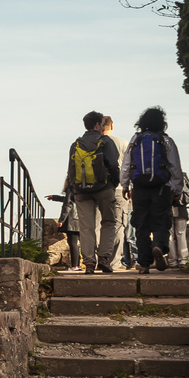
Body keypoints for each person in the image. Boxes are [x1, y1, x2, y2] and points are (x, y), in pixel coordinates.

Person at [120, 106, 184, 273]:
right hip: (162, 187)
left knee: (141, 224)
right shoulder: (166, 140)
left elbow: (126, 164)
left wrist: (125, 185)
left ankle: (144, 263)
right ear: (162, 123)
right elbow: (175, 166)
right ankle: (158, 246)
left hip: (139, 187)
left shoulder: (136, 139)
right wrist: (177, 189)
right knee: (161, 221)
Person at [64, 111, 122, 274]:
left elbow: (70, 170)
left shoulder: (75, 144)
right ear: (97, 125)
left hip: (81, 190)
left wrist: (74, 190)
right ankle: (104, 258)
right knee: (109, 222)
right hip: (104, 188)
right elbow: (113, 164)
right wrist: (113, 183)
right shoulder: (105, 141)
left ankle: (89, 263)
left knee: (87, 227)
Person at [101, 116, 135, 270]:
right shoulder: (122, 142)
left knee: (97, 226)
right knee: (118, 225)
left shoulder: (93, 143)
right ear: (111, 126)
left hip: (96, 189)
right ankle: (114, 262)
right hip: (118, 189)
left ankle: (97, 259)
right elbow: (129, 166)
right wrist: (129, 187)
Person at [45, 193, 81, 270]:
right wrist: (55, 197)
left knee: (73, 243)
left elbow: (67, 205)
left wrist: (61, 220)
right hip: (80, 218)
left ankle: (74, 266)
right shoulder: (79, 188)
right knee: (76, 243)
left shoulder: (70, 188)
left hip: (72, 220)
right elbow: (68, 199)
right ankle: (77, 265)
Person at [170, 175, 189, 268]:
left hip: (167, 209)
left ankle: (172, 261)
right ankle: (183, 260)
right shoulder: (181, 176)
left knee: (170, 236)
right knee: (181, 234)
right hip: (181, 209)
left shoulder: (163, 176)